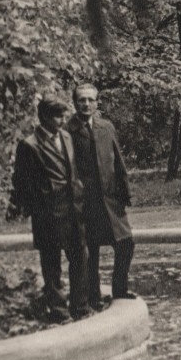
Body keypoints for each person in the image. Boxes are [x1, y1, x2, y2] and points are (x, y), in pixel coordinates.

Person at [7, 95, 92, 321]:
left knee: (80, 257)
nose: (63, 119)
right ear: (44, 117)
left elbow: (72, 169)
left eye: (64, 114)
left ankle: (80, 307)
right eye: (57, 115)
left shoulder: (66, 136)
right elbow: (22, 182)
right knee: (52, 263)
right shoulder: (29, 145)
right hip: (49, 213)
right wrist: (39, 206)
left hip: (74, 209)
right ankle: (58, 310)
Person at [67, 83, 135, 308]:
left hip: (111, 200)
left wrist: (124, 193)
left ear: (97, 102)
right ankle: (93, 296)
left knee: (126, 243)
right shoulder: (68, 132)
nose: (86, 104)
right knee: (91, 251)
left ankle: (119, 289)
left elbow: (118, 160)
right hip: (86, 203)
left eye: (90, 100)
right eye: (81, 100)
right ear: (75, 103)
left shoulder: (107, 127)